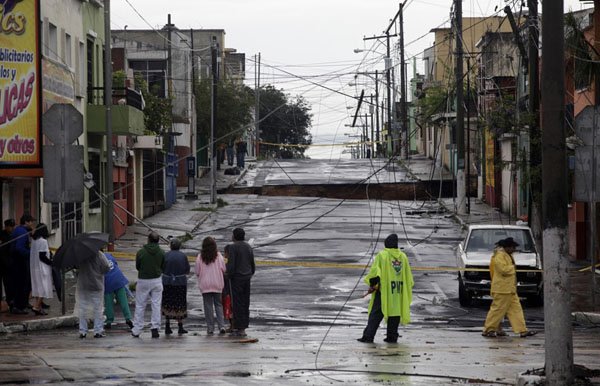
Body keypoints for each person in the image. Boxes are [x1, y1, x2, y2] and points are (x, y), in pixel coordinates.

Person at [357, 234, 414, 343]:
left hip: (383, 291)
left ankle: (368, 336)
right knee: (395, 314)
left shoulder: (382, 255)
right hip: (397, 291)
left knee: (376, 314)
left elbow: (375, 273)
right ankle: (392, 336)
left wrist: (373, 286)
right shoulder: (403, 257)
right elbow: (409, 278)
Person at [482, 237, 537, 338]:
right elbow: (503, 269)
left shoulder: (506, 255)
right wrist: (513, 268)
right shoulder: (499, 256)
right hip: (502, 289)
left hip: (509, 289)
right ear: (507, 247)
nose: (514, 250)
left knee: (516, 310)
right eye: (513, 247)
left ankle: (522, 330)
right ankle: (488, 329)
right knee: (497, 310)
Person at [131, 231, 165, 339]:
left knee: (140, 305)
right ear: (158, 241)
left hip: (143, 280)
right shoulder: (162, 252)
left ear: (148, 240)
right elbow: (163, 266)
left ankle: (137, 329)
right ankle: (155, 327)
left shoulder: (141, 252)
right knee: (156, 304)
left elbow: (138, 266)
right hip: (156, 280)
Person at [225, 228, 255, 337]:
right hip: (246, 278)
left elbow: (231, 265)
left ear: (235, 236)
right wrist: (250, 273)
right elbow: (252, 263)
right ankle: (243, 327)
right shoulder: (248, 246)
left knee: (236, 303)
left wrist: (228, 274)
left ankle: (238, 327)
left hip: (236, 279)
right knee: (245, 302)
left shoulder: (233, 247)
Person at [195, 237, 226, 335]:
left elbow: (197, 271)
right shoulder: (219, 256)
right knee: (219, 305)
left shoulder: (200, 257)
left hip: (205, 284)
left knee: (208, 306)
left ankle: (210, 328)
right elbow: (224, 269)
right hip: (217, 284)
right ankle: (221, 326)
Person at [76, 249, 110, 338]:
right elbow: (106, 267)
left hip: (83, 285)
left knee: (83, 308)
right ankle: (98, 331)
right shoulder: (99, 255)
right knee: (97, 308)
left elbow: (76, 266)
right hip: (96, 284)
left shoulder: (81, 255)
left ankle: (82, 331)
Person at [162, 238, 190, 335]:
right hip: (180, 283)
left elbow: (162, 268)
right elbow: (187, 270)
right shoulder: (183, 256)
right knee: (180, 304)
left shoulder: (165, 255)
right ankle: (180, 326)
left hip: (167, 282)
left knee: (168, 303)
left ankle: (167, 325)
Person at [9, 214, 35, 314]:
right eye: (31, 222)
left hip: (16, 260)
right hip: (19, 261)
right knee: (22, 284)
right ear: (26, 222)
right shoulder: (22, 232)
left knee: (22, 283)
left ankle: (22, 304)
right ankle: (18, 306)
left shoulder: (19, 230)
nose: (32, 224)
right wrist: (30, 253)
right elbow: (19, 248)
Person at [103, 251, 133, 330]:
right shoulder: (109, 255)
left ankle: (109, 321)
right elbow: (115, 264)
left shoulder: (97, 259)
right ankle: (128, 318)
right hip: (118, 278)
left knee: (108, 302)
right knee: (123, 300)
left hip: (108, 282)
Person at [29, 224, 53, 316]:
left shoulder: (34, 240)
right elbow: (42, 256)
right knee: (43, 288)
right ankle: (36, 306)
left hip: (34, 267)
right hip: (42, 268)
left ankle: (39, 307)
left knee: (38, 288)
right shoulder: (43, 241)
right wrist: (51, 262)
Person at [0, 219, 15, 312]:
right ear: (6, 226)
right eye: (11, 226)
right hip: (2, 264)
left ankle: (10, 302)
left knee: (9, 285)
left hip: (8, 265)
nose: (12, 228)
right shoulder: (2, 235)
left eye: (13, 226)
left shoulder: (12, 236)